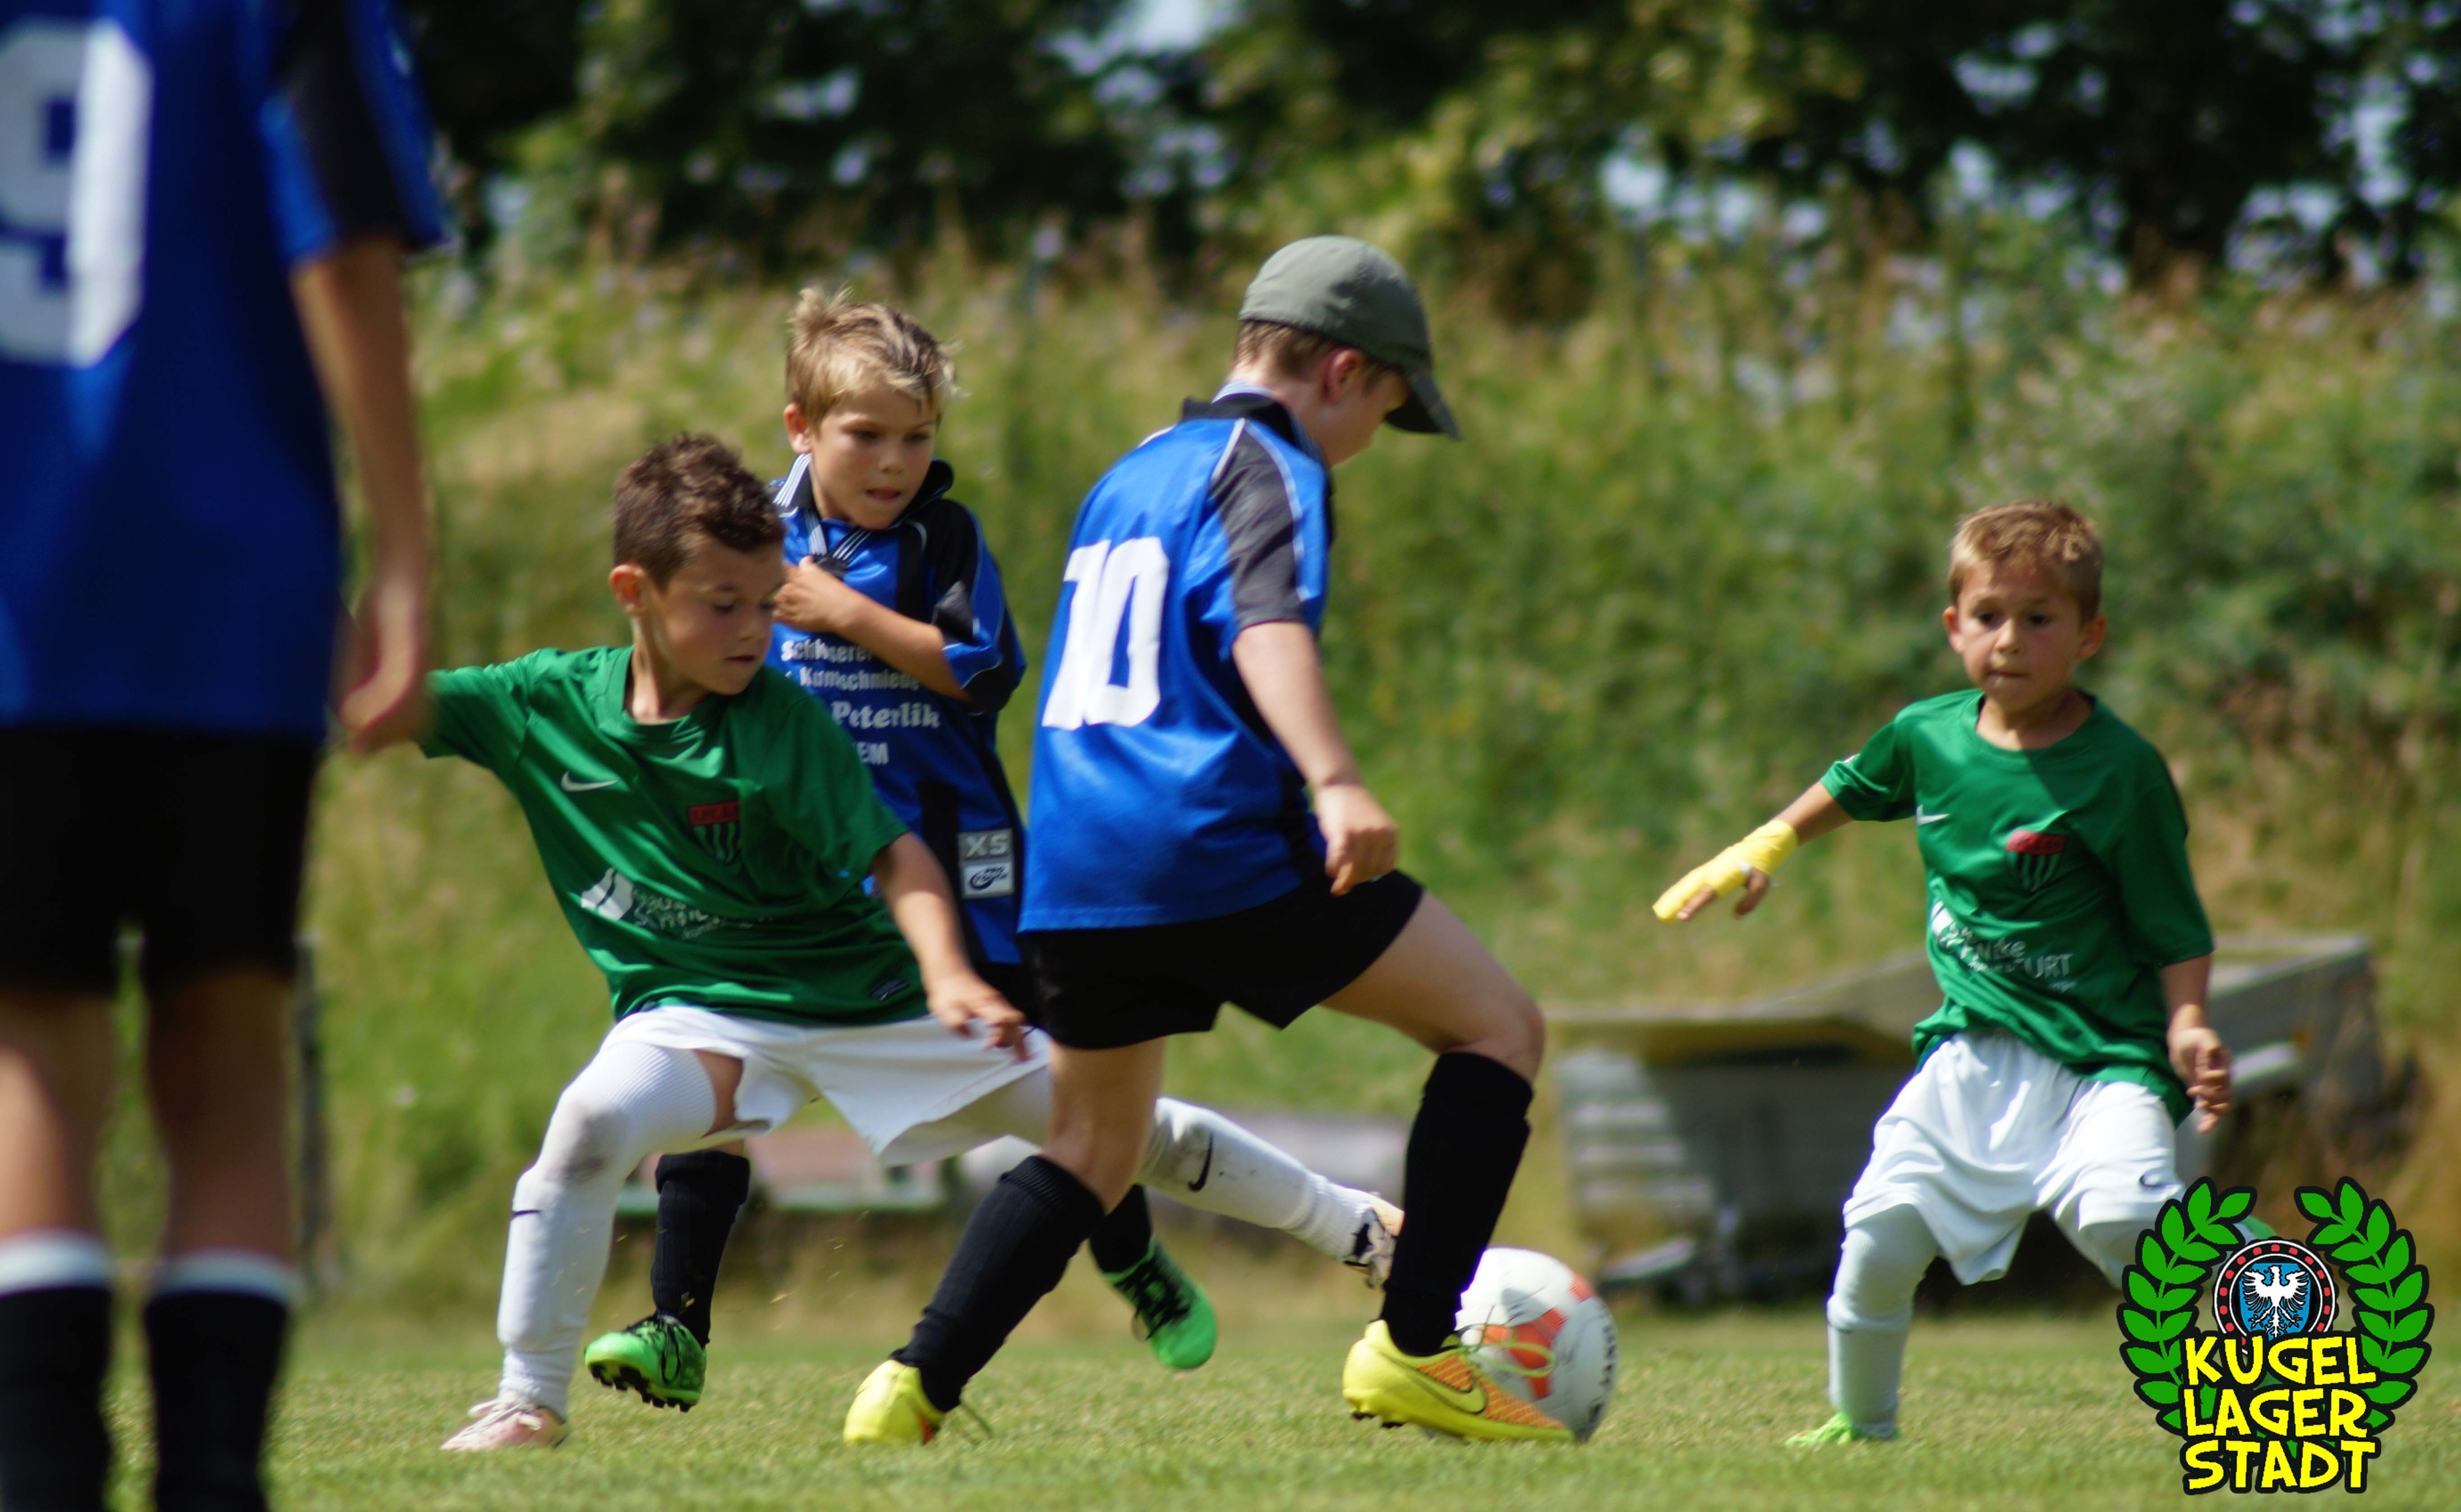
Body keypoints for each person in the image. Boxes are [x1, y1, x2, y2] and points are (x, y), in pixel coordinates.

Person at [401, 433, 1403, 1450]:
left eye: (766, 602)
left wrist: (948, 972)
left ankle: (1359, 1227)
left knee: (1130, 1132)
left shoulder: (781, 723)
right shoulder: (544, 703)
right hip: (703, 1022)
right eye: (723, 604)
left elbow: (899, 860)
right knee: (586, 1126)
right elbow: (389, 701)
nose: (754, 631)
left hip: (877, 1006)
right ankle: (528, 1400)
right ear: (635, 591)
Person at [846, 236, 1572, 1447]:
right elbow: (1263, 625)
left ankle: (910, 1387)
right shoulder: (1271, 465)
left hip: (1076, 864)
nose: (1371, 439)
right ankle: (1416, 1347)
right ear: (1344, 371)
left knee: (1093, 1145)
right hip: (1212, 839)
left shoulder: (1135, 467)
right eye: (1386, 408)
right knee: (1499, 1028)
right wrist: (1335, 778)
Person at [0, 0, 442, 1506]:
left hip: (18, 601)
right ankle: (213, 1477)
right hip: (226, 589)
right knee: (231, 1044)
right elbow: (342, 244)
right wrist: (402, 554)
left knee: (32, 1046)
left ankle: (40, 1469)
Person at [1654, 500, 2234, 1444]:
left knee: (2125, 1216)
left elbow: (2175, 923)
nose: (2010, 640)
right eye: (1989, 616)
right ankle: (1861, 1429)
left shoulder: (2122, 771)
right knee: (1879, 1233)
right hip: (1972, 1054)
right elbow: (1851, 786)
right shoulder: (1928, 736)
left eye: (2039, 618)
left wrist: (2188, 1022)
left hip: (2106, 1060)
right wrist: (1763, 846)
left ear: (2088, 635)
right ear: (1953, 626)